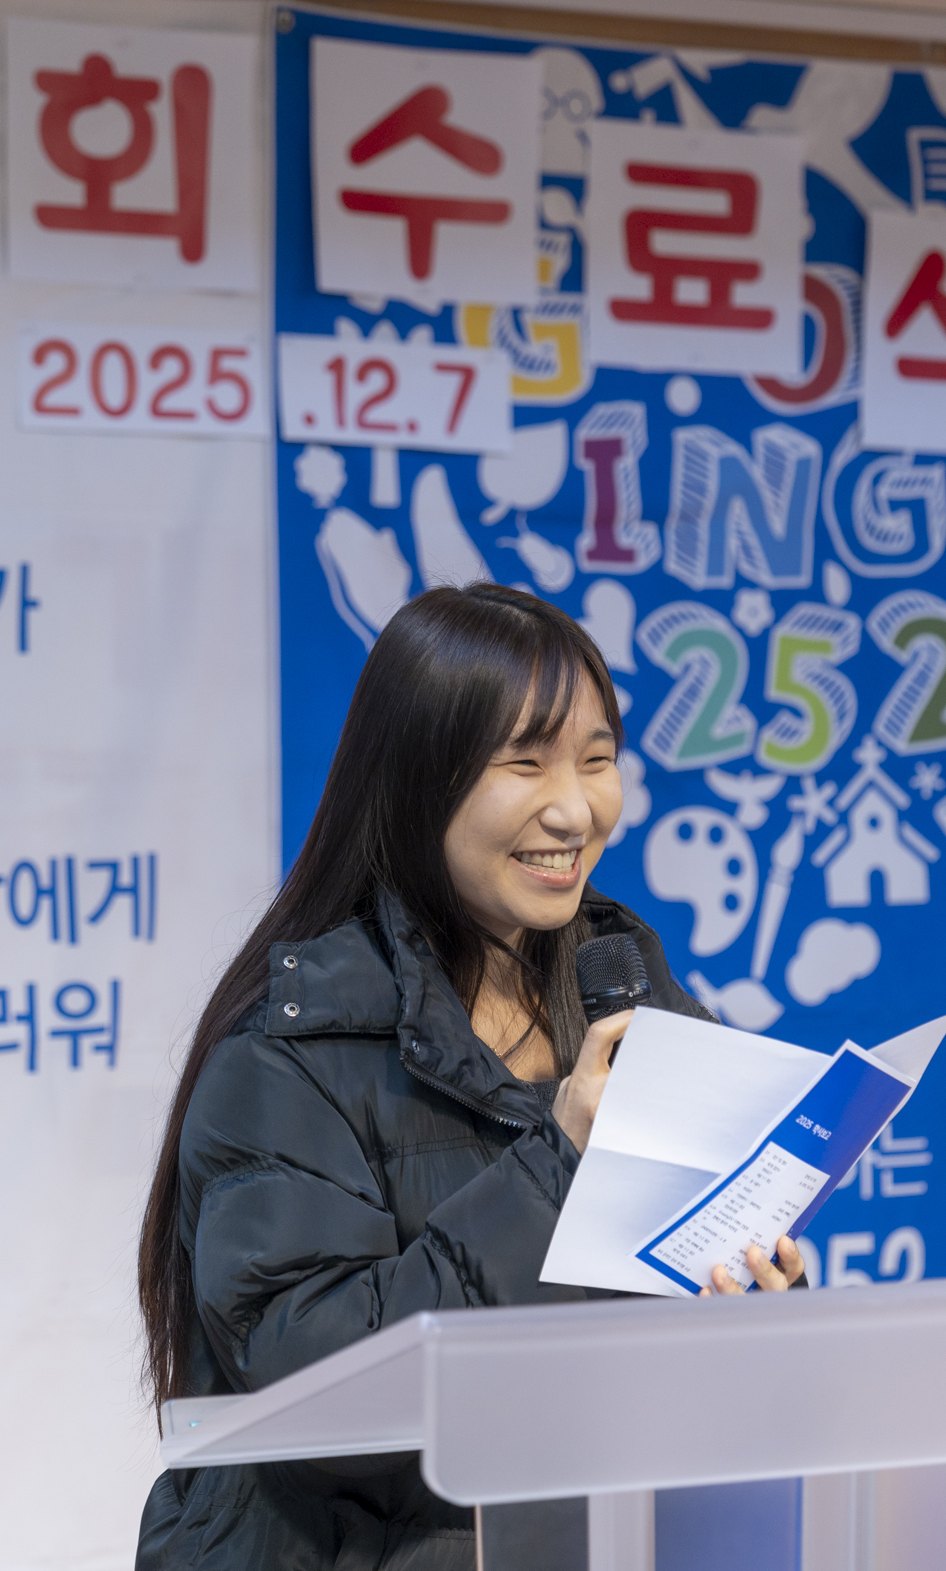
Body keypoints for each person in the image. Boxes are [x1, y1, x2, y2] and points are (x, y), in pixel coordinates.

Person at [134, 583, 804, 1571]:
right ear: (418, 782)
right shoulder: (287, 1052)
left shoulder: (629, 996)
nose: (574, 809)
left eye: (597, 760)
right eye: (524, 764)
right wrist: (557, 1163)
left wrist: (747, 1302)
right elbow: (320, 1397)